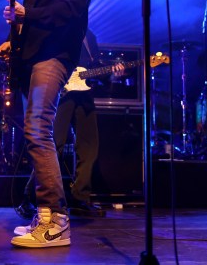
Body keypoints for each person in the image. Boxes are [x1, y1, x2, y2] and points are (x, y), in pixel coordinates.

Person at [0, 0, 98, 248]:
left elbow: (70, 10)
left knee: (39, 127)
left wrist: (28, 16)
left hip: (55, 56)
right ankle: (46, 215)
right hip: (34, 57)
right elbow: (36, 16)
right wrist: (17, 37)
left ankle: (55, 218)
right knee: (35, 130)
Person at [16, 29, 125, 219]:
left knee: (89, 146)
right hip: (62, 93)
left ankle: (79, 198)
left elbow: (94, 67)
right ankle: (30, 198)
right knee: (52, 145)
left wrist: (112, 74)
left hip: (84, 95)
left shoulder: (90, 35)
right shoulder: (61, 26)